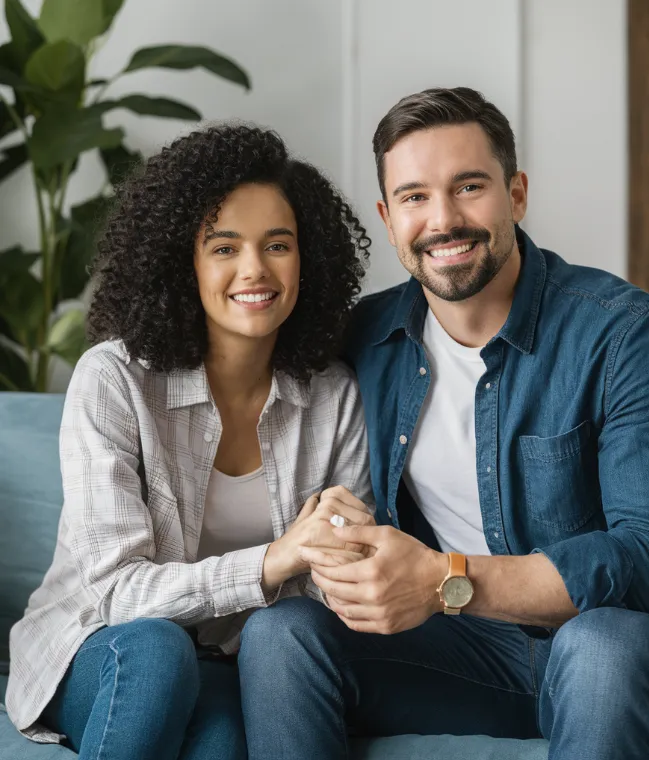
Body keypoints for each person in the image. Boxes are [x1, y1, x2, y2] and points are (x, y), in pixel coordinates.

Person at [241, 87, 649, 760]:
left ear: (517, 194)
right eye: (414, 197)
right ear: (388, 219)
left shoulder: (624, 334)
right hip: (469, 655)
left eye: (468, 186)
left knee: (599, 648)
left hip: (625, 647)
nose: (443, 220)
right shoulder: (363, 339)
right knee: (282, 633)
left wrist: (445, 579)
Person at [5, 124, 376, 760]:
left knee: (222, 744)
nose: (254, 269)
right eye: (224, 247)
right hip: (104, 644)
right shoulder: (114, 379)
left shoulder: (332, 398)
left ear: (306, 260)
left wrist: (343, 558)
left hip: (228, 662)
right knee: (157, 648)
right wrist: (275, 560)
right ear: (185, 261)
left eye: (278, 245)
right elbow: (119, 592)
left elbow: (329, 592)